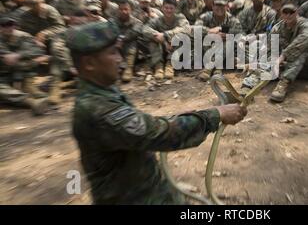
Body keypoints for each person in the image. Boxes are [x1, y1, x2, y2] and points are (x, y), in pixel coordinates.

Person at [68, 20, 247, 205]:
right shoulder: (97, 109)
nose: (120, 58)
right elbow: (157, 133)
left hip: (145, 188)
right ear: (89, 63)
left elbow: (137, 127)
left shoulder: (102, 90)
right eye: (112, 52)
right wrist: (216, 114)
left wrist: (182, 118)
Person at [244, 4, 308, 103]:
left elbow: (303, 40)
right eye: (285, 12)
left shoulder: (306, 25)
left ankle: (283, 83)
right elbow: (270, 48)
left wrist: (282, 56)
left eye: (291, 12)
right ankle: (249, 83)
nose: (288, 15)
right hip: (284, 64)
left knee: (302, 52)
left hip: (305, 65)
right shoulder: (277, 28)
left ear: (297, 13)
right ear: (281, 14)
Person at [0, 16, 48, 115]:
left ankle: (33, 99)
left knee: (36, 93)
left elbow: (37, 50)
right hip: (5, 74)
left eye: (11, 25)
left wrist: (18, 55)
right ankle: (31, 102)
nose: (9, 28)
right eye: (5, 26)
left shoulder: (23, 36)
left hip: (24, 72)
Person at [195, 0, 242, 81]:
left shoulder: (232, 19)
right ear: (212, 6)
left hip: (227, 54)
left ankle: (209, 68)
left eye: (222, 5)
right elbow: (195, 28)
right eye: (217, 5)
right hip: (208, 51)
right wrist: (211, 32)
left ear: (227, 6)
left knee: (229, 40)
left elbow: (240, 32)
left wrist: (222, 30)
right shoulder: (206, 17)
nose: (219, 8)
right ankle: (217, 68)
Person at [142, 0, 190, 81]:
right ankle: (158, 66)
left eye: (171, 8)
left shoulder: (180, 17)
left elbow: (186, 29)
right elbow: (145, 29)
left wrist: (166, 35)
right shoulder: (158, 20)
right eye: (166, 8)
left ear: (175, 9)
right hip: (161, 49)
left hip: (175, 49)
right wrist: (160, 38)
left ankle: (170, 65)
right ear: (162, 8)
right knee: (153, 39)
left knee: (180, 37)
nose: (168, 10)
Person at [112, 0, 143, 83]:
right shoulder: (112, 21)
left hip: (132, 51)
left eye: (126, 9)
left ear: (131, 10)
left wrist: (121, 38)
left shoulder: (137, 22)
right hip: (116, 50)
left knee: (132, 41)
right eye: (121, 9)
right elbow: (109, 33)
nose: (123, 12)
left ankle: (128, 68)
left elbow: (134, 32)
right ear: (118, 10)